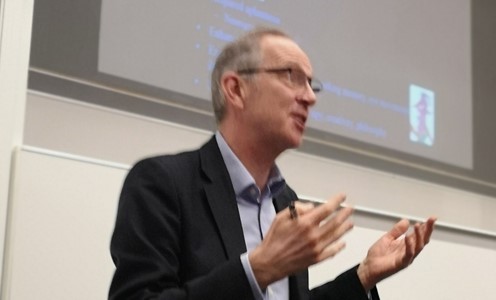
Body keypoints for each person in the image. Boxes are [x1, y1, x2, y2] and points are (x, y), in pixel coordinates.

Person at [109, 27, 436, 300]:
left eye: (312, 84)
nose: (310, 97)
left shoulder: (285, 200)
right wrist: (258, 269)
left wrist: (364, 275)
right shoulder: (162, 183)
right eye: (291, 76)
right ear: (236, 89)